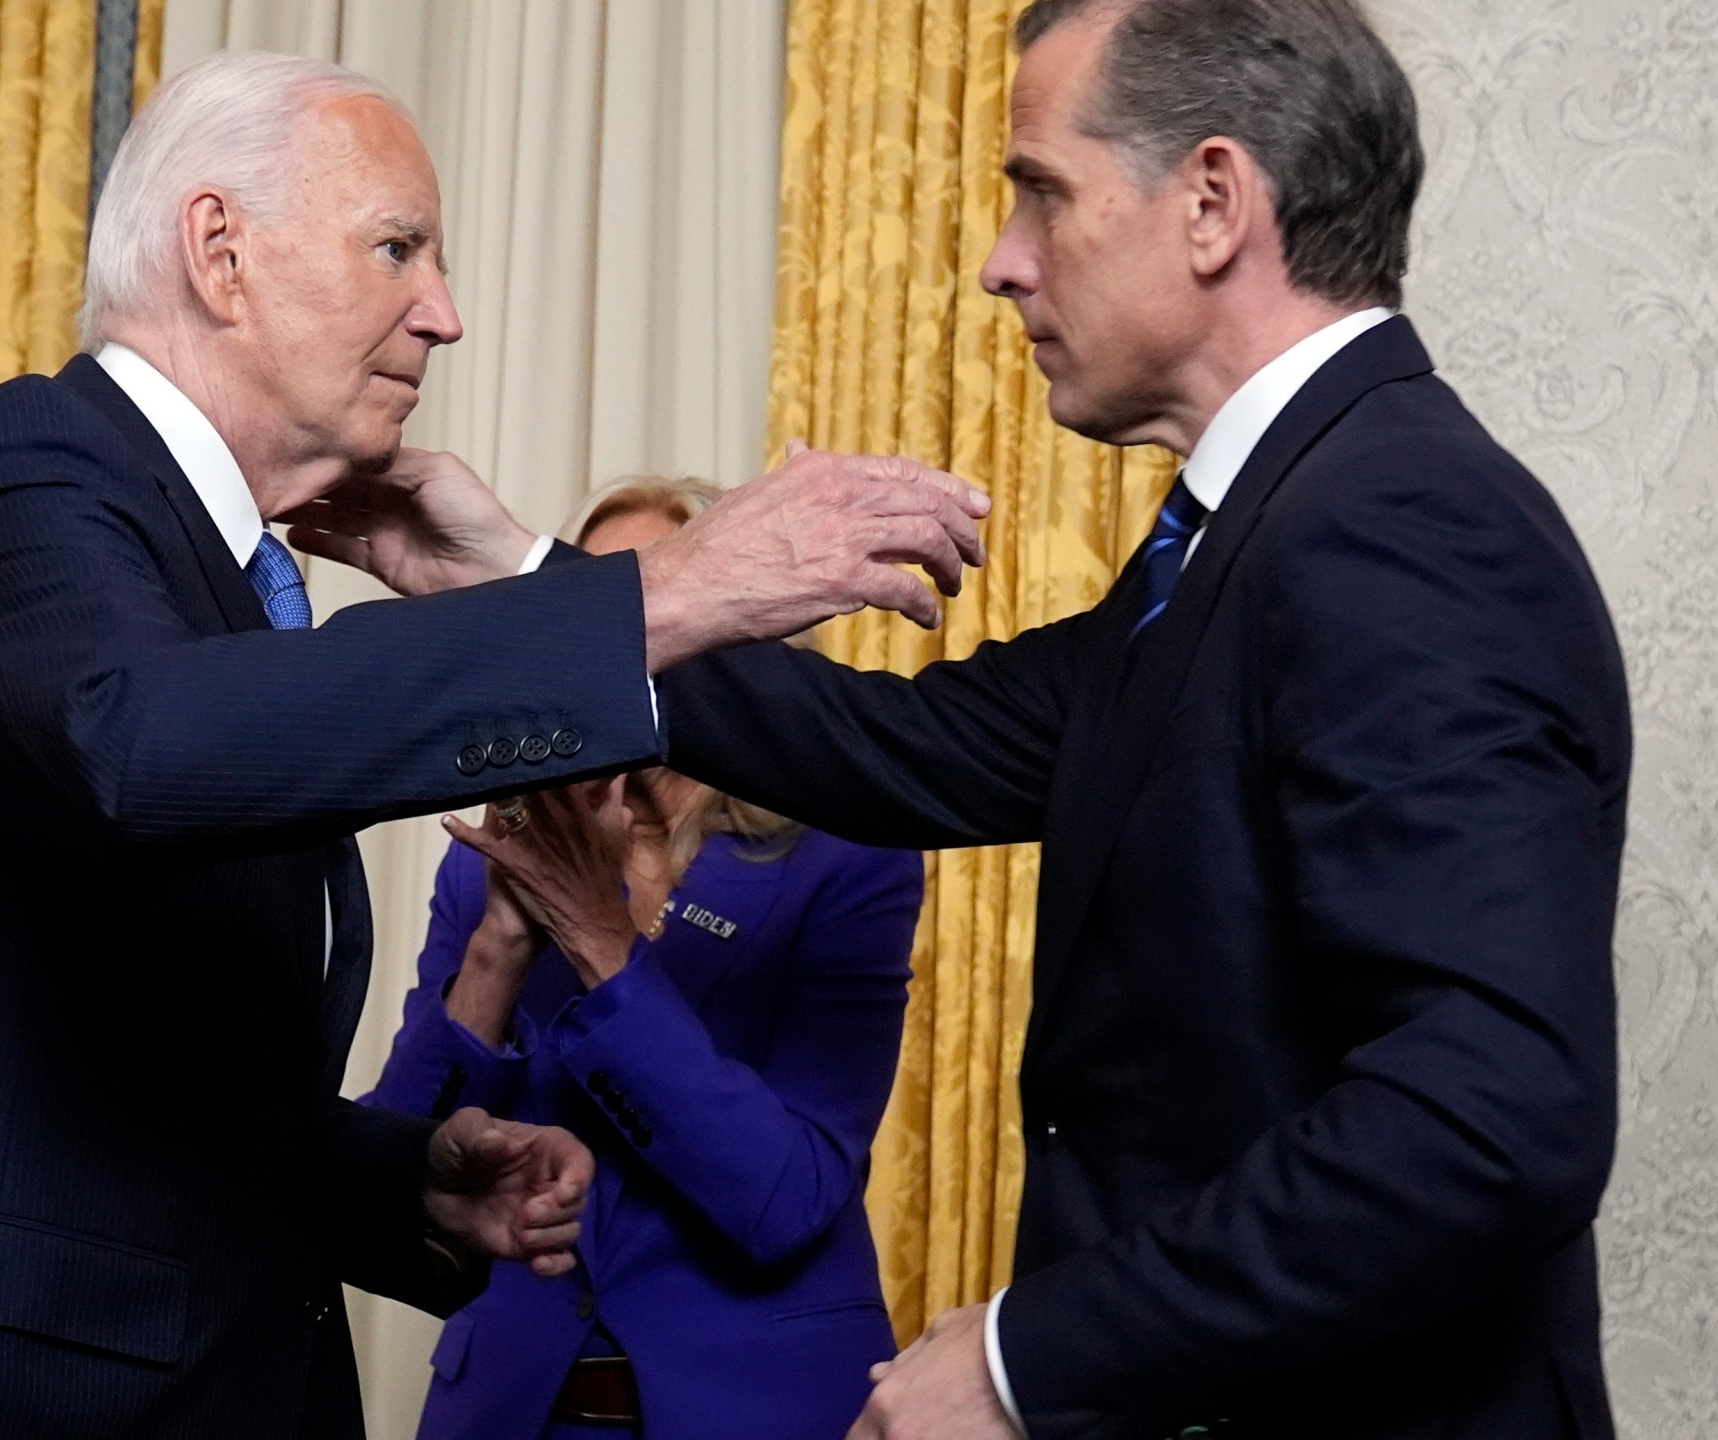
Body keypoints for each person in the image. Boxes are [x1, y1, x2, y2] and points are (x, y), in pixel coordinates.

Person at [314, 2, 1632, 1437]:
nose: (1003, 262)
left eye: (1040, 191)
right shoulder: (1262, 531)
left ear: (1211, 203)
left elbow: (1490, 1125)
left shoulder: (1401, 527)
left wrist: (1027, 1356)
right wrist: (517, 574)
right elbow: (901, 748)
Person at [0, 49, 989, 1440]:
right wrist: (666, 598)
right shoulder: (30, 469)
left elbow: (138, 1080)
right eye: (397, 249)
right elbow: (140, 749)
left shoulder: (214, 583)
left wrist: (393, 1185)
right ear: (220, 252)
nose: (446, 316)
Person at [365, 478, 925, 1440]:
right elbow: (389, 1178)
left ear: (738, 643)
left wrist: (600, 942)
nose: (608, 650)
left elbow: (785, 1197)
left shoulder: (847, 856)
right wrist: (501, 943)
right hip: (510, 1410)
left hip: (759, 1408)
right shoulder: (498, 851)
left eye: (640, 611)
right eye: (583, 617)